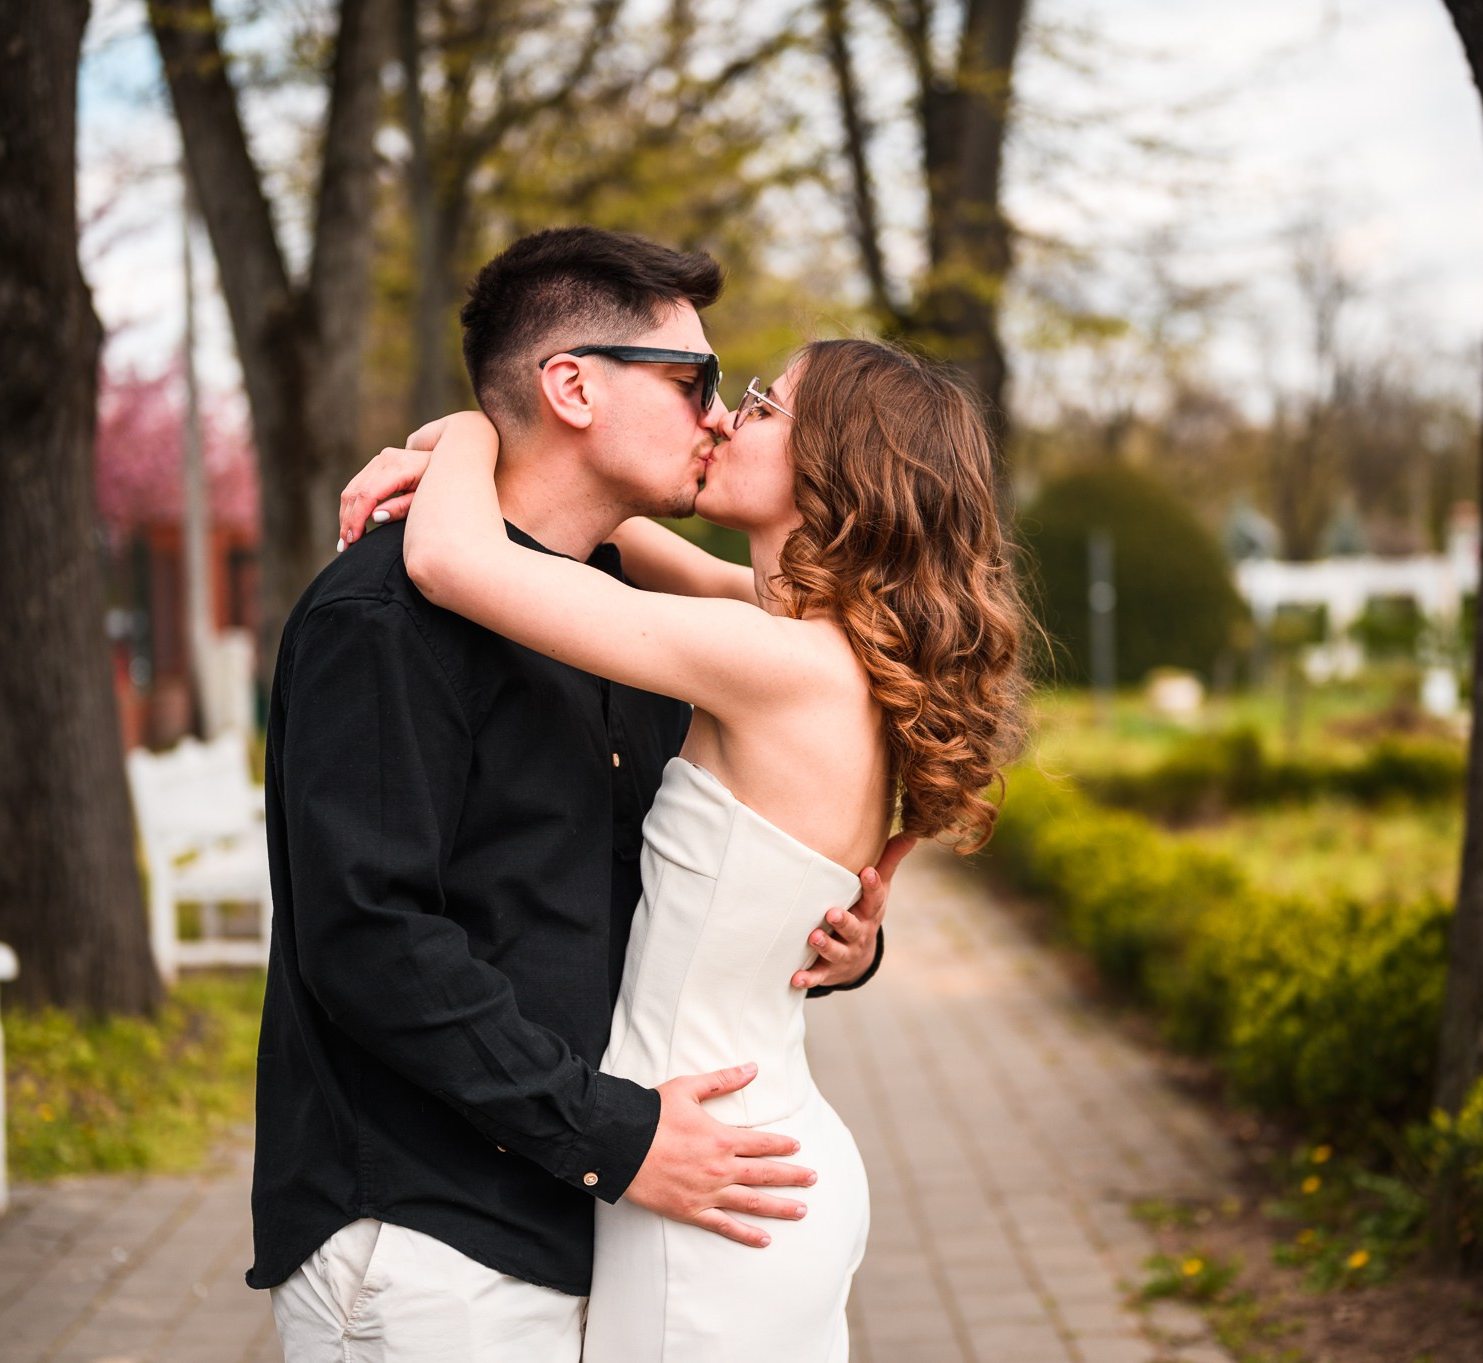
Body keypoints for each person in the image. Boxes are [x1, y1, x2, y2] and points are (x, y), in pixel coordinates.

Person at [253, 227, 908, 1363]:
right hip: (433, 1242)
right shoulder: (383, 619)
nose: (716, 414)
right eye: (694, 380)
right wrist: (613, 1137)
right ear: (570, 386)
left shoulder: (650, 628)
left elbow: (659, 897)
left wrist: (830, 933)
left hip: (609, 1214)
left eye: (740, 398)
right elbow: (369, 940)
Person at [338, 333, 1030, 1359]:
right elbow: (613, 536)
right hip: (765, 1152)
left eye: (763, 404)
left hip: (712, 1191)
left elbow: (452, 561)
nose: (724, 416)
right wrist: (503, 449)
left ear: (834, 466)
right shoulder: (816, 645)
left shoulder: (774, 660)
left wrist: (479, 430)